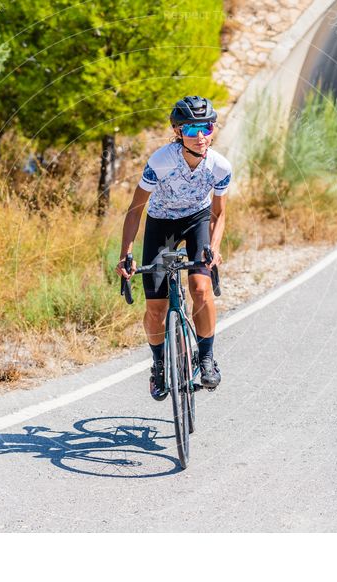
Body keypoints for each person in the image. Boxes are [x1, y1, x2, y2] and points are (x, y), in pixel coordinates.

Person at [115, 95, 232, 400]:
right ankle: (159, 365)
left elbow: (219, 214)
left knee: (200, 287)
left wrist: (215, 248)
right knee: (156, 309)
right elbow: (135, 210)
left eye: (207, 127)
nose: (201, 136)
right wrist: (125, 253)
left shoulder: (219, 166)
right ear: (178, 131)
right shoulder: (161, 162)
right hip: (162, 224)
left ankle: (205, 358)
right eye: (192, 130)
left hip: (197, 220)